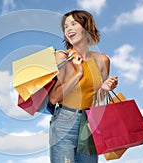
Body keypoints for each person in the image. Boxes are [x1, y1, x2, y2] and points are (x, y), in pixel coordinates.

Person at [48, 10, 118, 163]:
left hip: (89, 122)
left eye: (73, 24)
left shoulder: (103, 60)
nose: (68, 29)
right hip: (64, 121)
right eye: (66, 27)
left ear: (86, 27)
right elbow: (53, 98)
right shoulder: (62, 57)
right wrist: (78, 73)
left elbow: (97, 98)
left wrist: (105, 88)